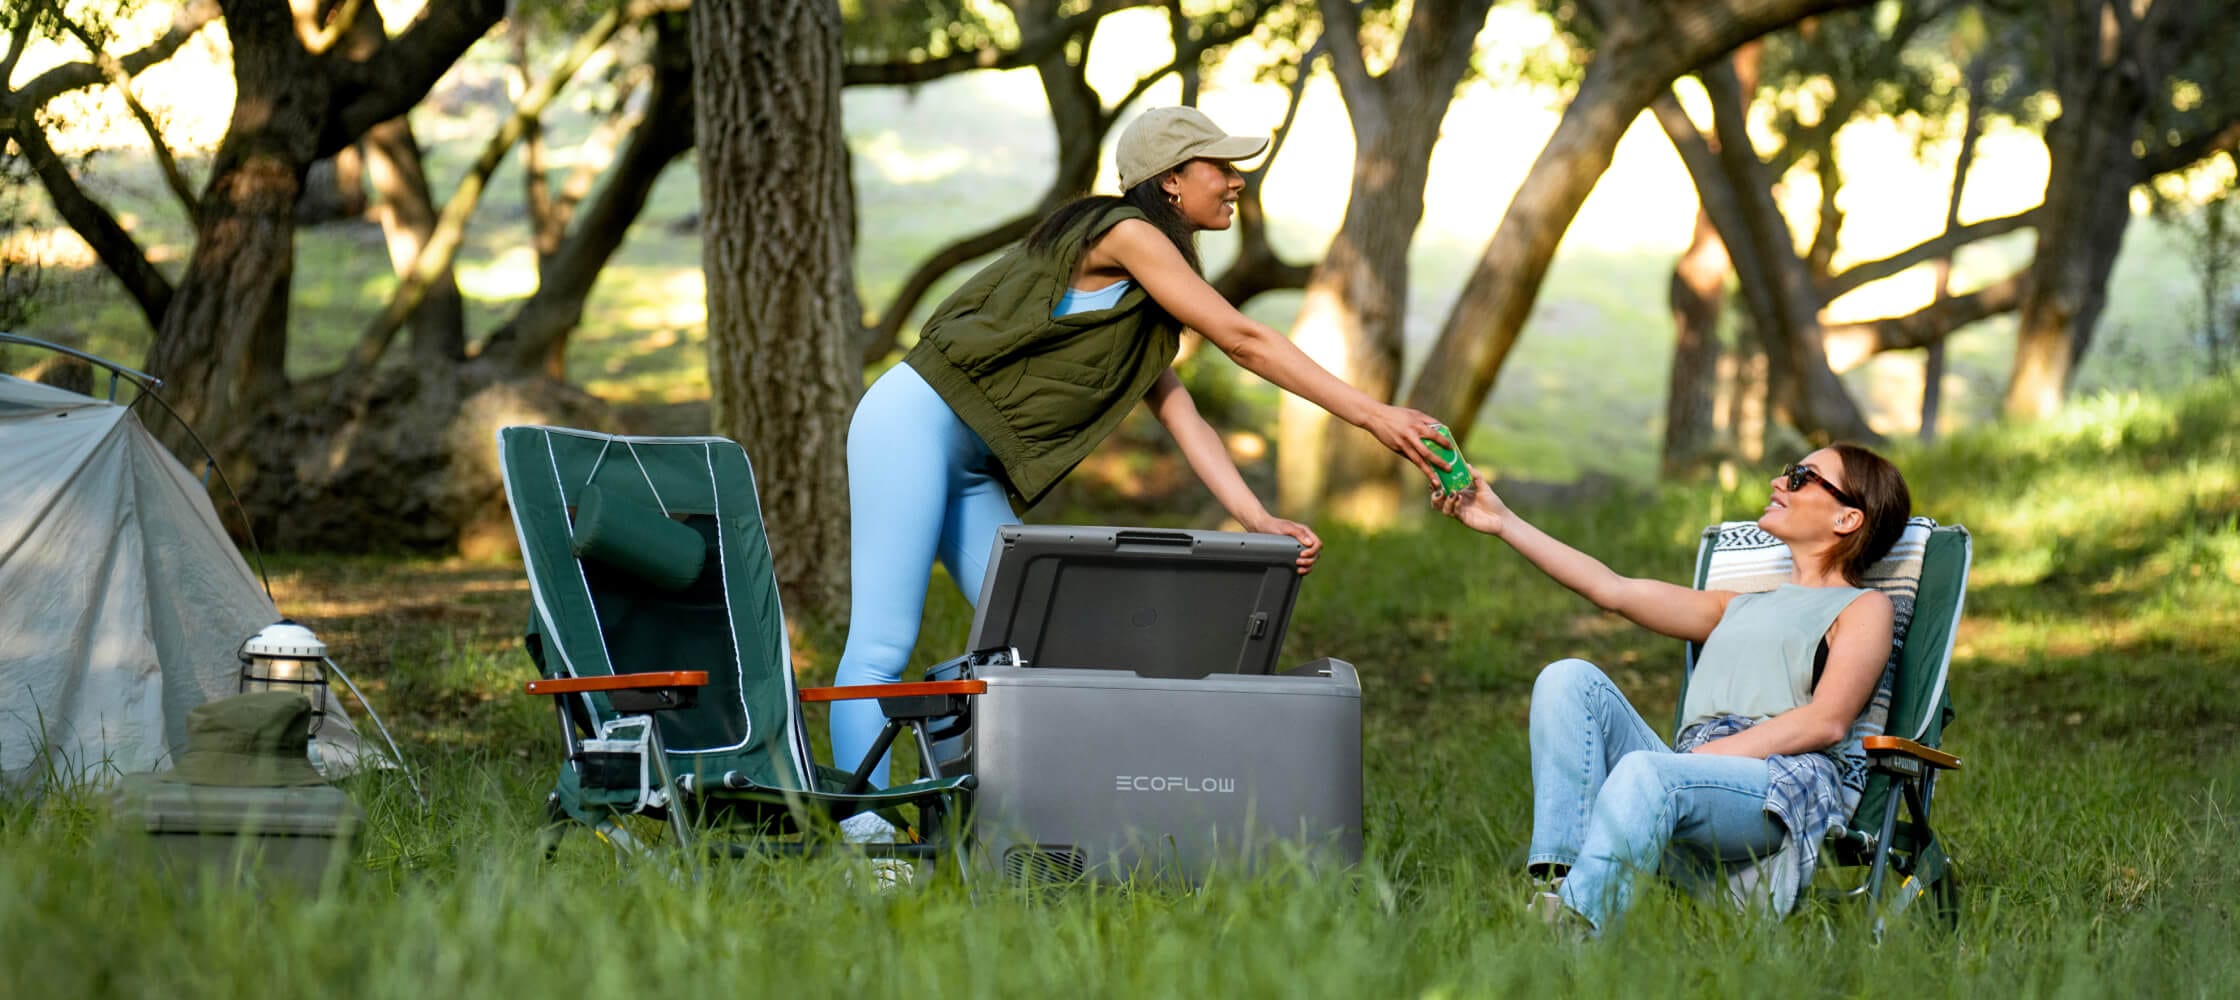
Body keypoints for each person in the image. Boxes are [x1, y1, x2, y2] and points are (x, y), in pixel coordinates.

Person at [834, 106, 1454, 841]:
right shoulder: (1123, 234)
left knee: (1036, 650)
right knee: (882, 641)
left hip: (973, 460)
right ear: (1170, 180)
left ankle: (995, 815)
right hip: (912, 421)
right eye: (1219, 168)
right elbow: (1245, 339)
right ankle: (863, 833)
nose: (1235, 182)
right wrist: (1372, 414)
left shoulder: (1153, 292)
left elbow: (1182, 415)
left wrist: (1256, 521)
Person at [1434, 444, 1911, 932]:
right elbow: (1611, 589)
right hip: (1696, 772)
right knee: (1568, 678)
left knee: (1648, 771)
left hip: (1775, 785)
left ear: (1848, 519)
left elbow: (1826, 720)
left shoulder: (1863, 608)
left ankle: (1579, 930)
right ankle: (1561, 890)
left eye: (1800, 476)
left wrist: (1712, 757)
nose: (1776, 482)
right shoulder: (1735, 605)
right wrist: (1503, 521)